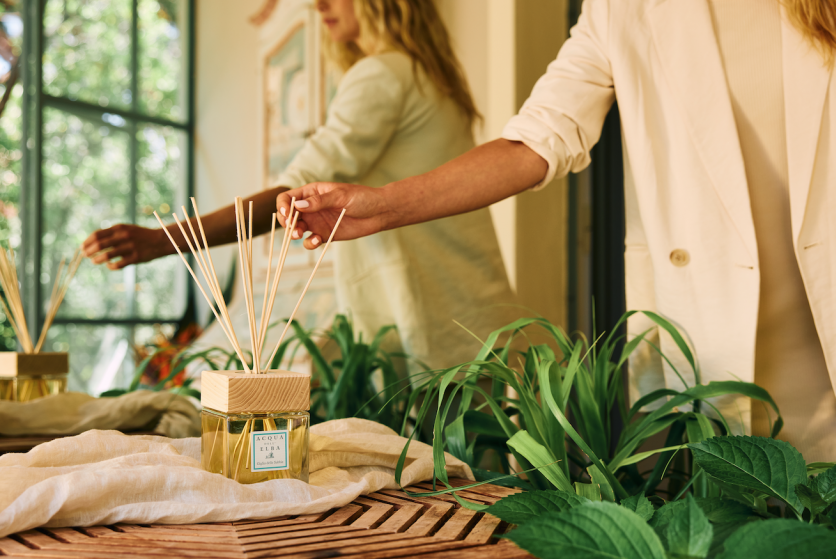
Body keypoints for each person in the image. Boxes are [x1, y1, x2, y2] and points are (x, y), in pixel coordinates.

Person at [275, 0, 836, 462]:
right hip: (714, 337)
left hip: (831, 328)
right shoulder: (618, 9)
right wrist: (380, 206)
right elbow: (537, 140)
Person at [82, 0, 517, 372]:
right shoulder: (427, 78)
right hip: (476, 307)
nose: (319, 3)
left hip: (429, 313)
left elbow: (291, 193)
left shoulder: (383, 74)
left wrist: (164, 240)